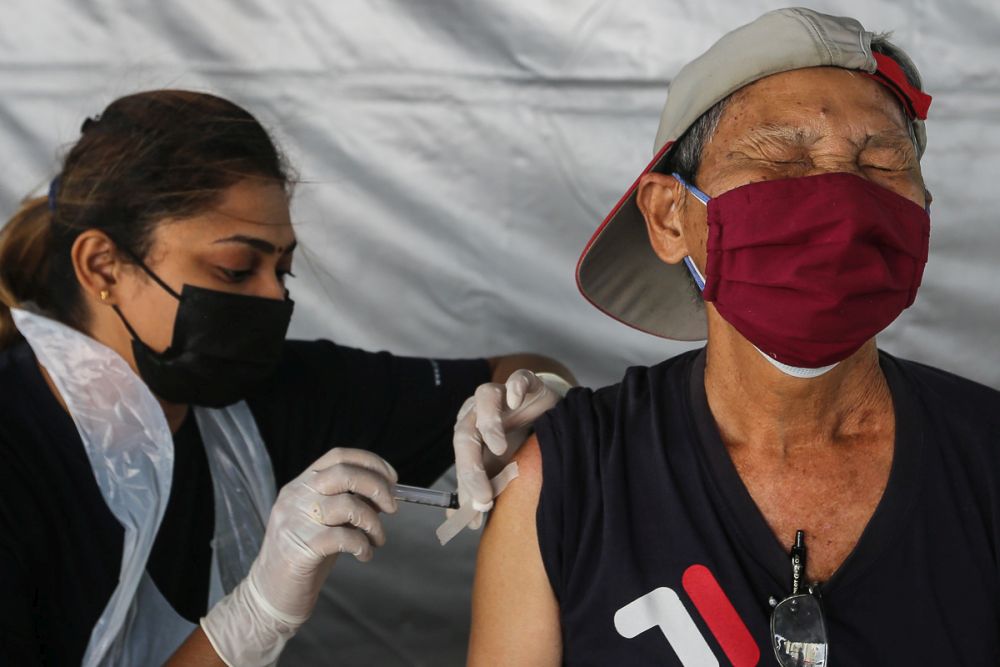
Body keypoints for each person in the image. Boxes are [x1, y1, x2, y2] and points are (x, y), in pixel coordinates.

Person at [469, 8, 1000, 666]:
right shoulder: (571, 479)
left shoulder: (987, 457)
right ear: (670, 217)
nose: (839, 200)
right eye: (783, 158)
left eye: (882, 164)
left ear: (921, 212)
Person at [0, 90, 573, 666]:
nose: (274, 297)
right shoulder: (18, 453)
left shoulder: (271, 391)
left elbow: (518, 367)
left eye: (282, 269)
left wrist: (522, 398)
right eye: (235, 269)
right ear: (103, 266)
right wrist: (253, 619)